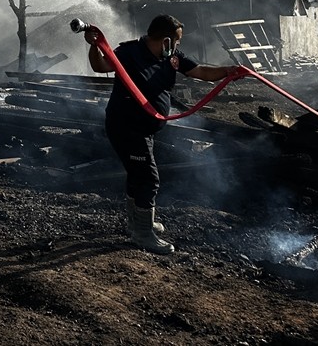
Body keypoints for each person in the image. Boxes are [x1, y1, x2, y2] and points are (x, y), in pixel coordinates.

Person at [85, 14, 239, 254]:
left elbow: (200, 71)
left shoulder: (172, 57)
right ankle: (143, 234)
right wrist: (94, 46)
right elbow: (100, 65)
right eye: (175, 42)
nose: (177, 47)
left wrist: (228, 71)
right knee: (148, 178)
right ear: (165, 40)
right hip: (126, 126)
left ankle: (139, 222)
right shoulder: (129, 53)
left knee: (138, 175)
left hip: (145, 128)